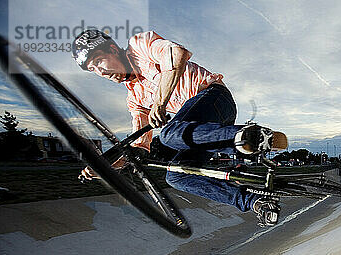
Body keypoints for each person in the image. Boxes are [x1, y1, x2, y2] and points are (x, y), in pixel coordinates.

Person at [71, 29, 287, 226]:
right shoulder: (134, 99)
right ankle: (256, 202)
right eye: (93, 70)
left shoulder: (139, 46)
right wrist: (107, 169)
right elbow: (139, 147)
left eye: (99, 62)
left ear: (112, 49)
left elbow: (176, 54)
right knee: (177, 175)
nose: (100, 71)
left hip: (215, 98)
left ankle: (254, 138)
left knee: (168, 134)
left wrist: (160, 103)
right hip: (202, 131)